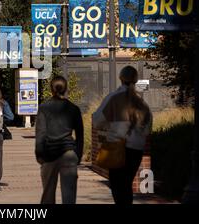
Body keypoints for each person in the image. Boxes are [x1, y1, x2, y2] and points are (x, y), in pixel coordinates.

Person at [92, 66, 153, 205]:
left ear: (120, 78)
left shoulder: (113, 98)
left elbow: (97, 121)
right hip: (136, 150)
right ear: (135, 80)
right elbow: (147, 130)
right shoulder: (142, 103)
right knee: (126, 185)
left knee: (118, 187)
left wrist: (109, 127)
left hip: (116, 148)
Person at [35, 76, 84, 204]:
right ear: (66, 89)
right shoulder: (74, 109)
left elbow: (40, 133)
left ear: (52, 89)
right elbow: (80, 135)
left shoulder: (44, 108)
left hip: (49, 154)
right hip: (68, 153)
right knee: (69, 195)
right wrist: (78, 155)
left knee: (48, 194)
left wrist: (39, 154)